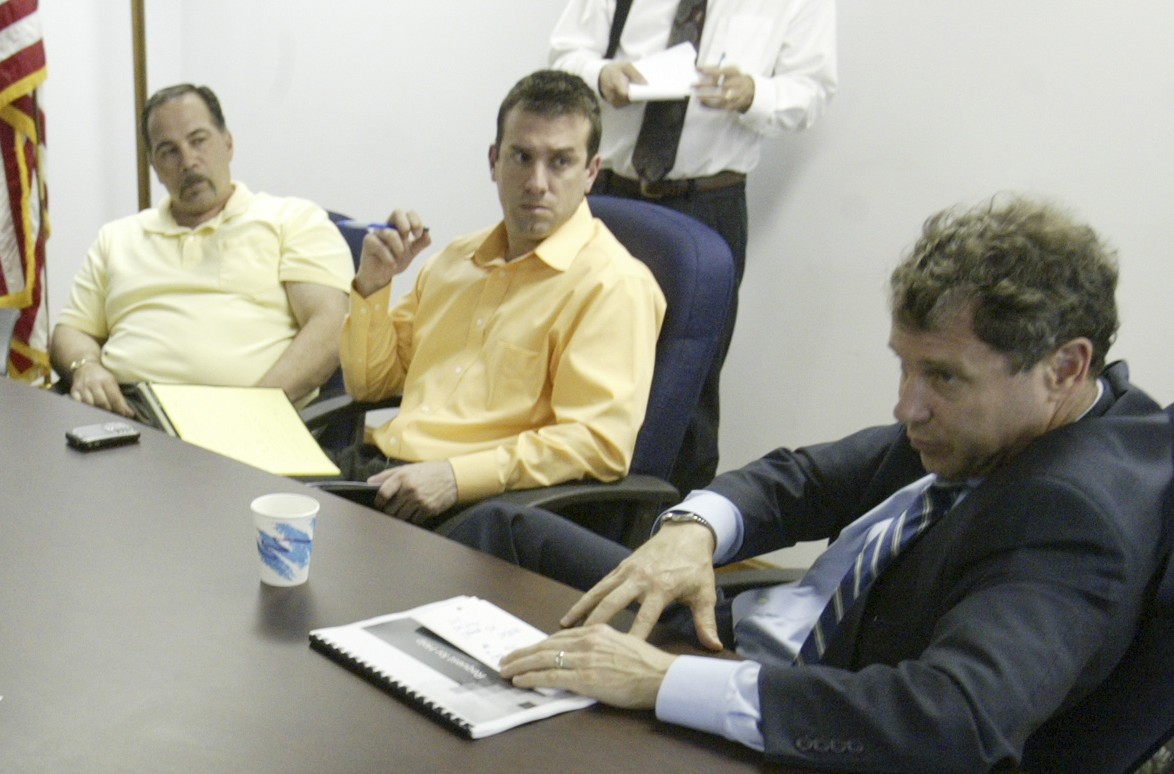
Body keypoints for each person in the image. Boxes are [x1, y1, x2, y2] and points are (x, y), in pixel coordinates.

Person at [466, 197, 1168, 772]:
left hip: (807, 715)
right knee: (498, 528)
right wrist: (692, 532)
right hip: (749, 634)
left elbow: (952, 718)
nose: (906, 406)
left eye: (943, 376)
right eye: (905, 366)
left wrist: (661, 682)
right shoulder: (1005, 423)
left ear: (1066, 367)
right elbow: (799, 481)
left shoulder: (1074, 514)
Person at [337, 70, 665, 525]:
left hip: (478, 507)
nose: (536, 182)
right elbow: (370, 386)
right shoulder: (456, 259)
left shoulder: (612, 286)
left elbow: (597, 442)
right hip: (378, 476)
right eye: (522, 156)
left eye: (561, 162)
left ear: (591, 172)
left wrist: (457, 476)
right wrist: (373, 285)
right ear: (494, 161)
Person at [551, 0, 839, 493]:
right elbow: (564, 55)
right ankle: (558, 508)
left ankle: (670, 526)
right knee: (572, 353)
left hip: (707, 203)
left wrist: (756, 93)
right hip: (607, 193)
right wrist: (601, 76)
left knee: (689, 382)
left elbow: (811, 91)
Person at [51, 84, 353, 415]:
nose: (188, 161)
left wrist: (258, 408)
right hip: (128, 413)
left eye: (198, 141)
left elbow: (330, 325)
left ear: (228, 142)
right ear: (153, 164)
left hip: (247, 418)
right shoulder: (117, 237)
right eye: (169, 151)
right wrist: (86, 366)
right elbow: (71, 330)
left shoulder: (291, 220)